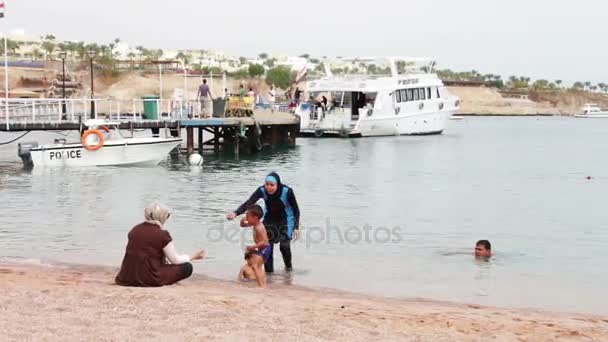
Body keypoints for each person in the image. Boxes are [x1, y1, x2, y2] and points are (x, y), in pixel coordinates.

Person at [115, 202, 206, 287]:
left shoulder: (134, 230)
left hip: (126, 277)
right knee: (187, 267)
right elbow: (175, 260)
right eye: (167, 216)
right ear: (162, 217)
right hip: (150, 278)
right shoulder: (162, 234)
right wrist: (193, 257)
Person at [226, 172, 300, 273]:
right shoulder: (262, 190)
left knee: (284, 246)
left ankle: (289, 269)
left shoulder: (287, 191)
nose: (269, 187)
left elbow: (296, 210)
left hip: (286, 220)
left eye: (272, 185)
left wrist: (296, 227)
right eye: (267, 184)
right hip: (269, 219)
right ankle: (269, 274)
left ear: (277, 185)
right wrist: (236, 213)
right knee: (267, 247)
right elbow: (249, 202)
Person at [238, 205, 270, 287]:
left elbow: (264, 241)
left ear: (255, 218)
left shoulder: (259, 227)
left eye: (248, 216)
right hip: (260, 248)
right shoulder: (254, 223)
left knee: (254, 265)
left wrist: (253, 247)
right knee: (256, 265)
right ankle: (262, 282)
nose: (246, 218)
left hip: (265, 249)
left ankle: (261, 285)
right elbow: (242, 225)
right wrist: (243, 220)